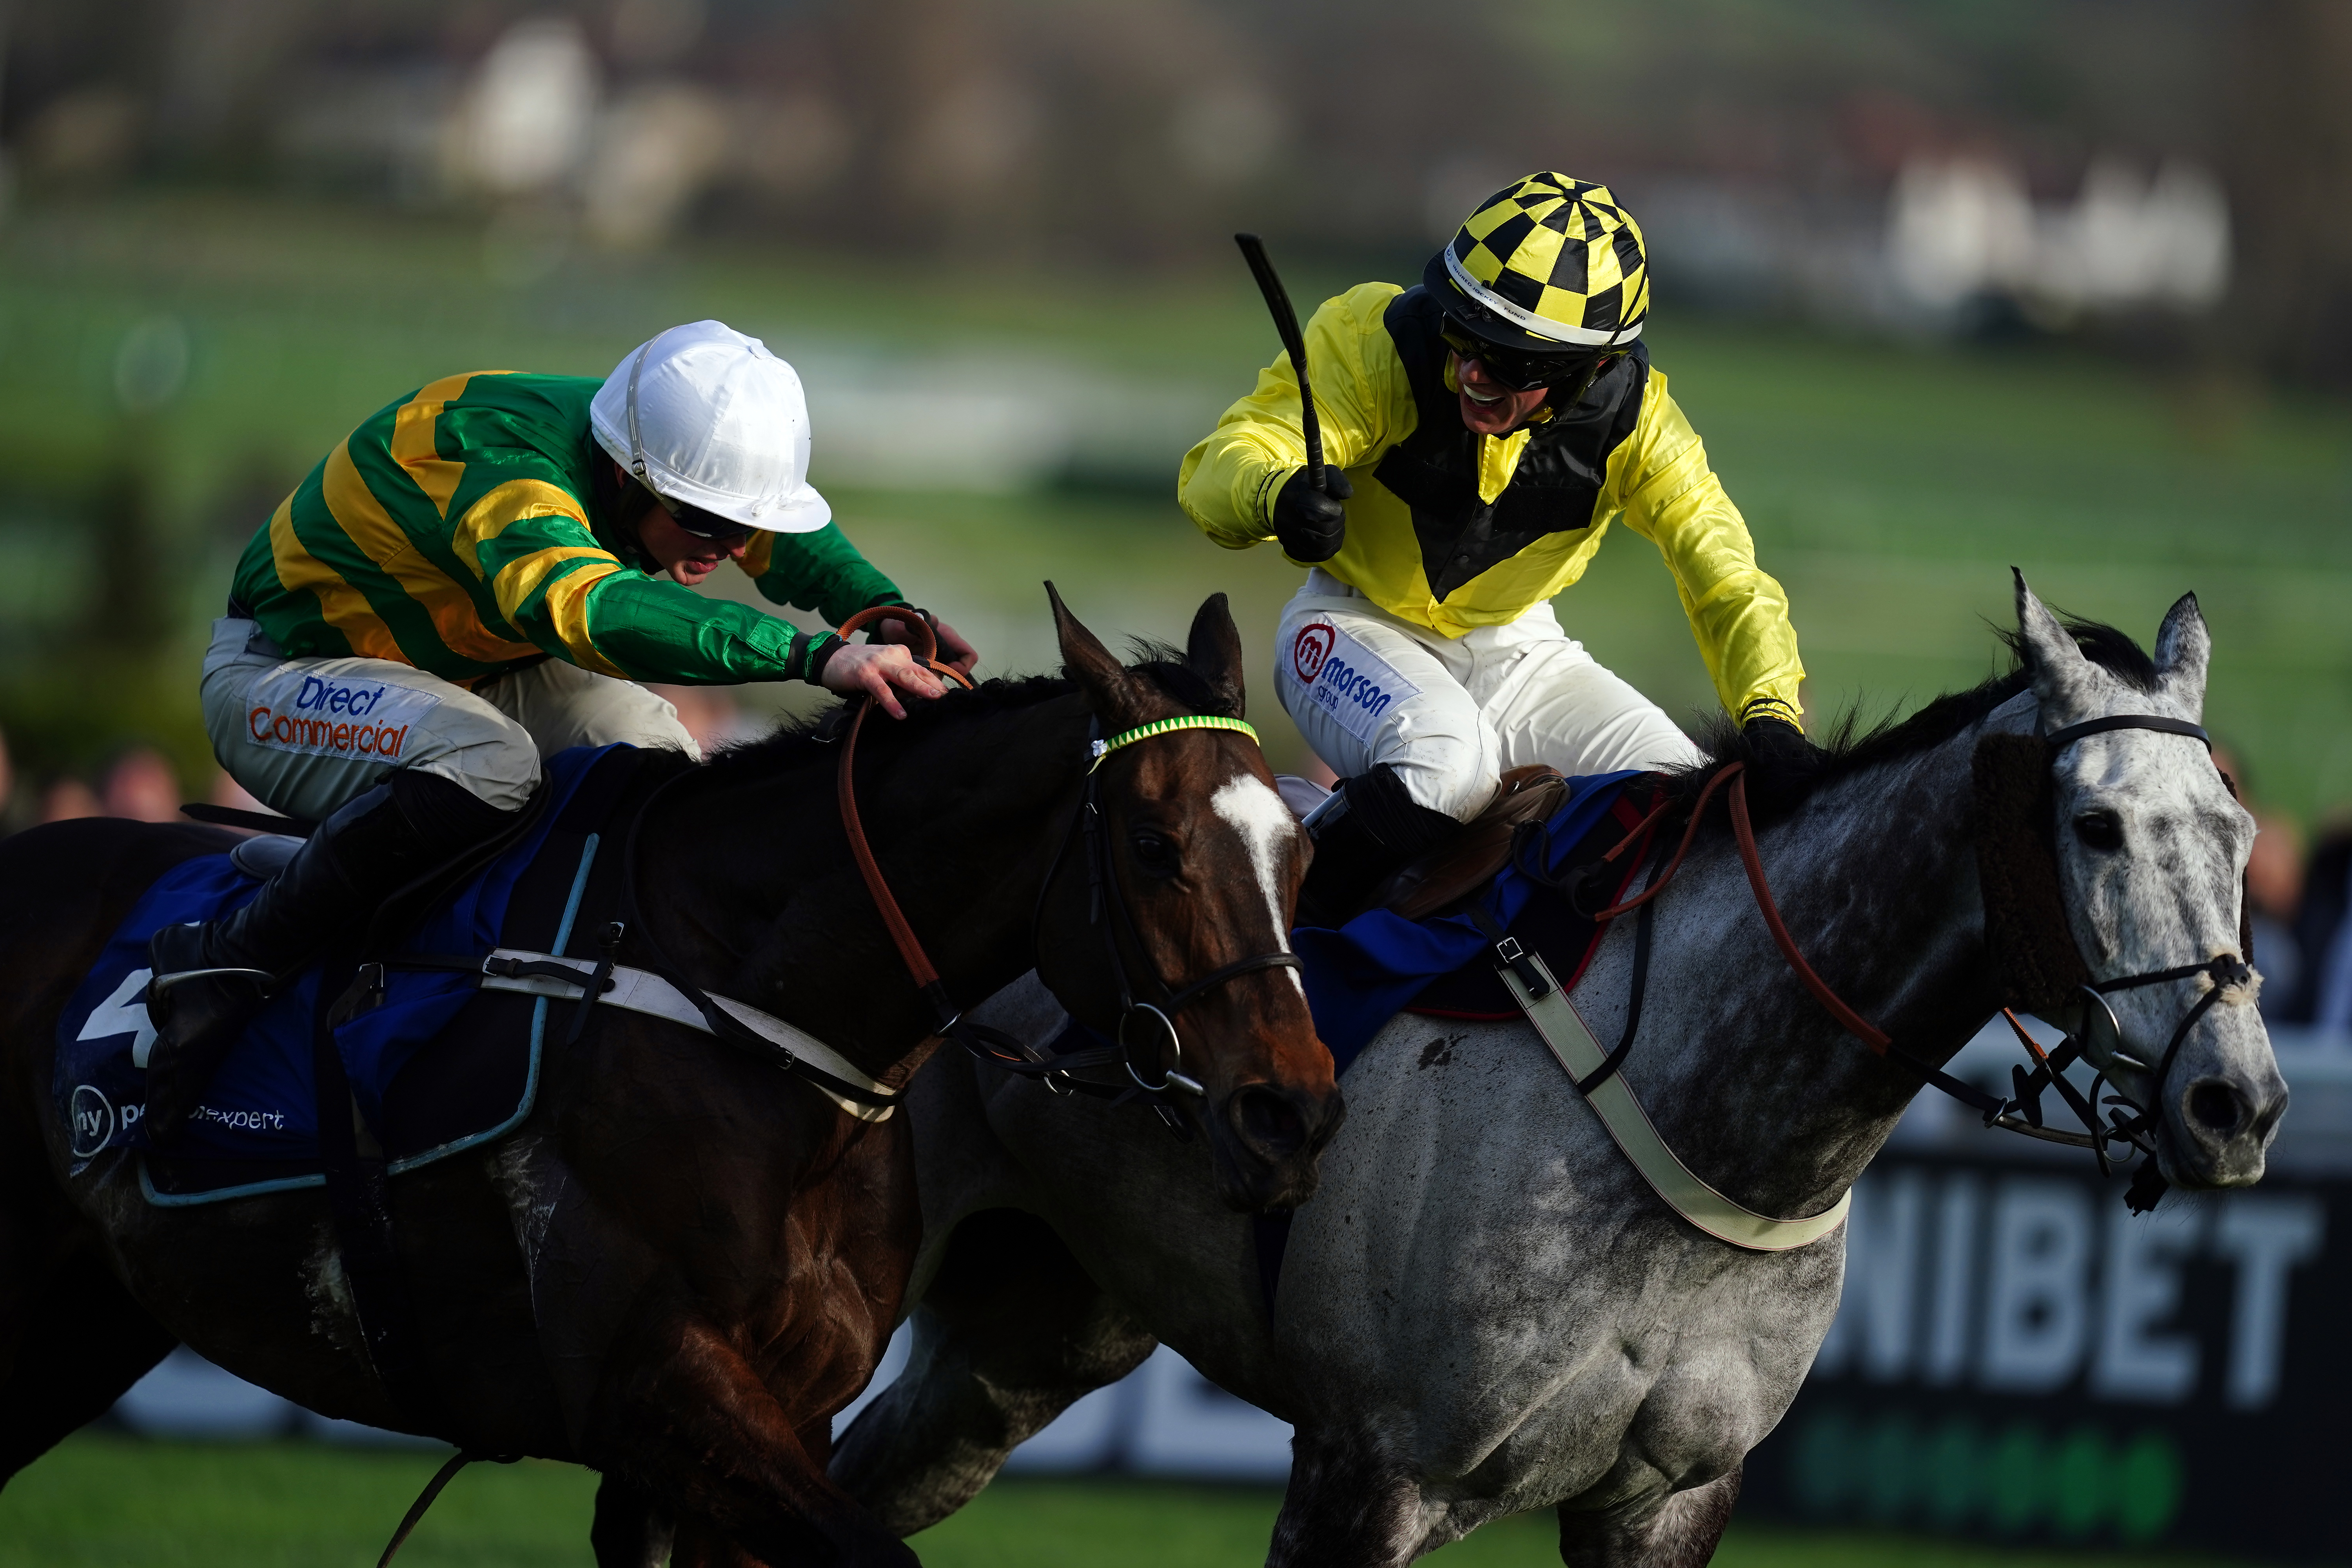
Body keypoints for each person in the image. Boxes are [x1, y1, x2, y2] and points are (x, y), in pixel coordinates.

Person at [145, 320, 976, 1136]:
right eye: (707, 525)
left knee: (663, 762)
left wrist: (887, 610)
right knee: (491, 761)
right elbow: (584, 610)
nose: (728, 548)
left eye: (738, 527)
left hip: (472, 668)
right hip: (283, 674)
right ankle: (228, 960)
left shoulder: (654, 442)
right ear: (627, 477)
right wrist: (812, 654)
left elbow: (775, 535)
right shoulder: (507, 462)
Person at [1179, 172, 1808, 918]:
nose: (1471, 374)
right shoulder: (1373, 340)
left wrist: (1771, 719)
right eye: (1462, 336)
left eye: (1509, 360)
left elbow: (1726, 579)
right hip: (1350, 626)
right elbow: (1232, 455)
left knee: (1692, 811)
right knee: (1449, 767)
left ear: (1592, 370)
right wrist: (1273, 494)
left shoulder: (1642, 427)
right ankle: (1259, 926)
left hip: (1522, 650)